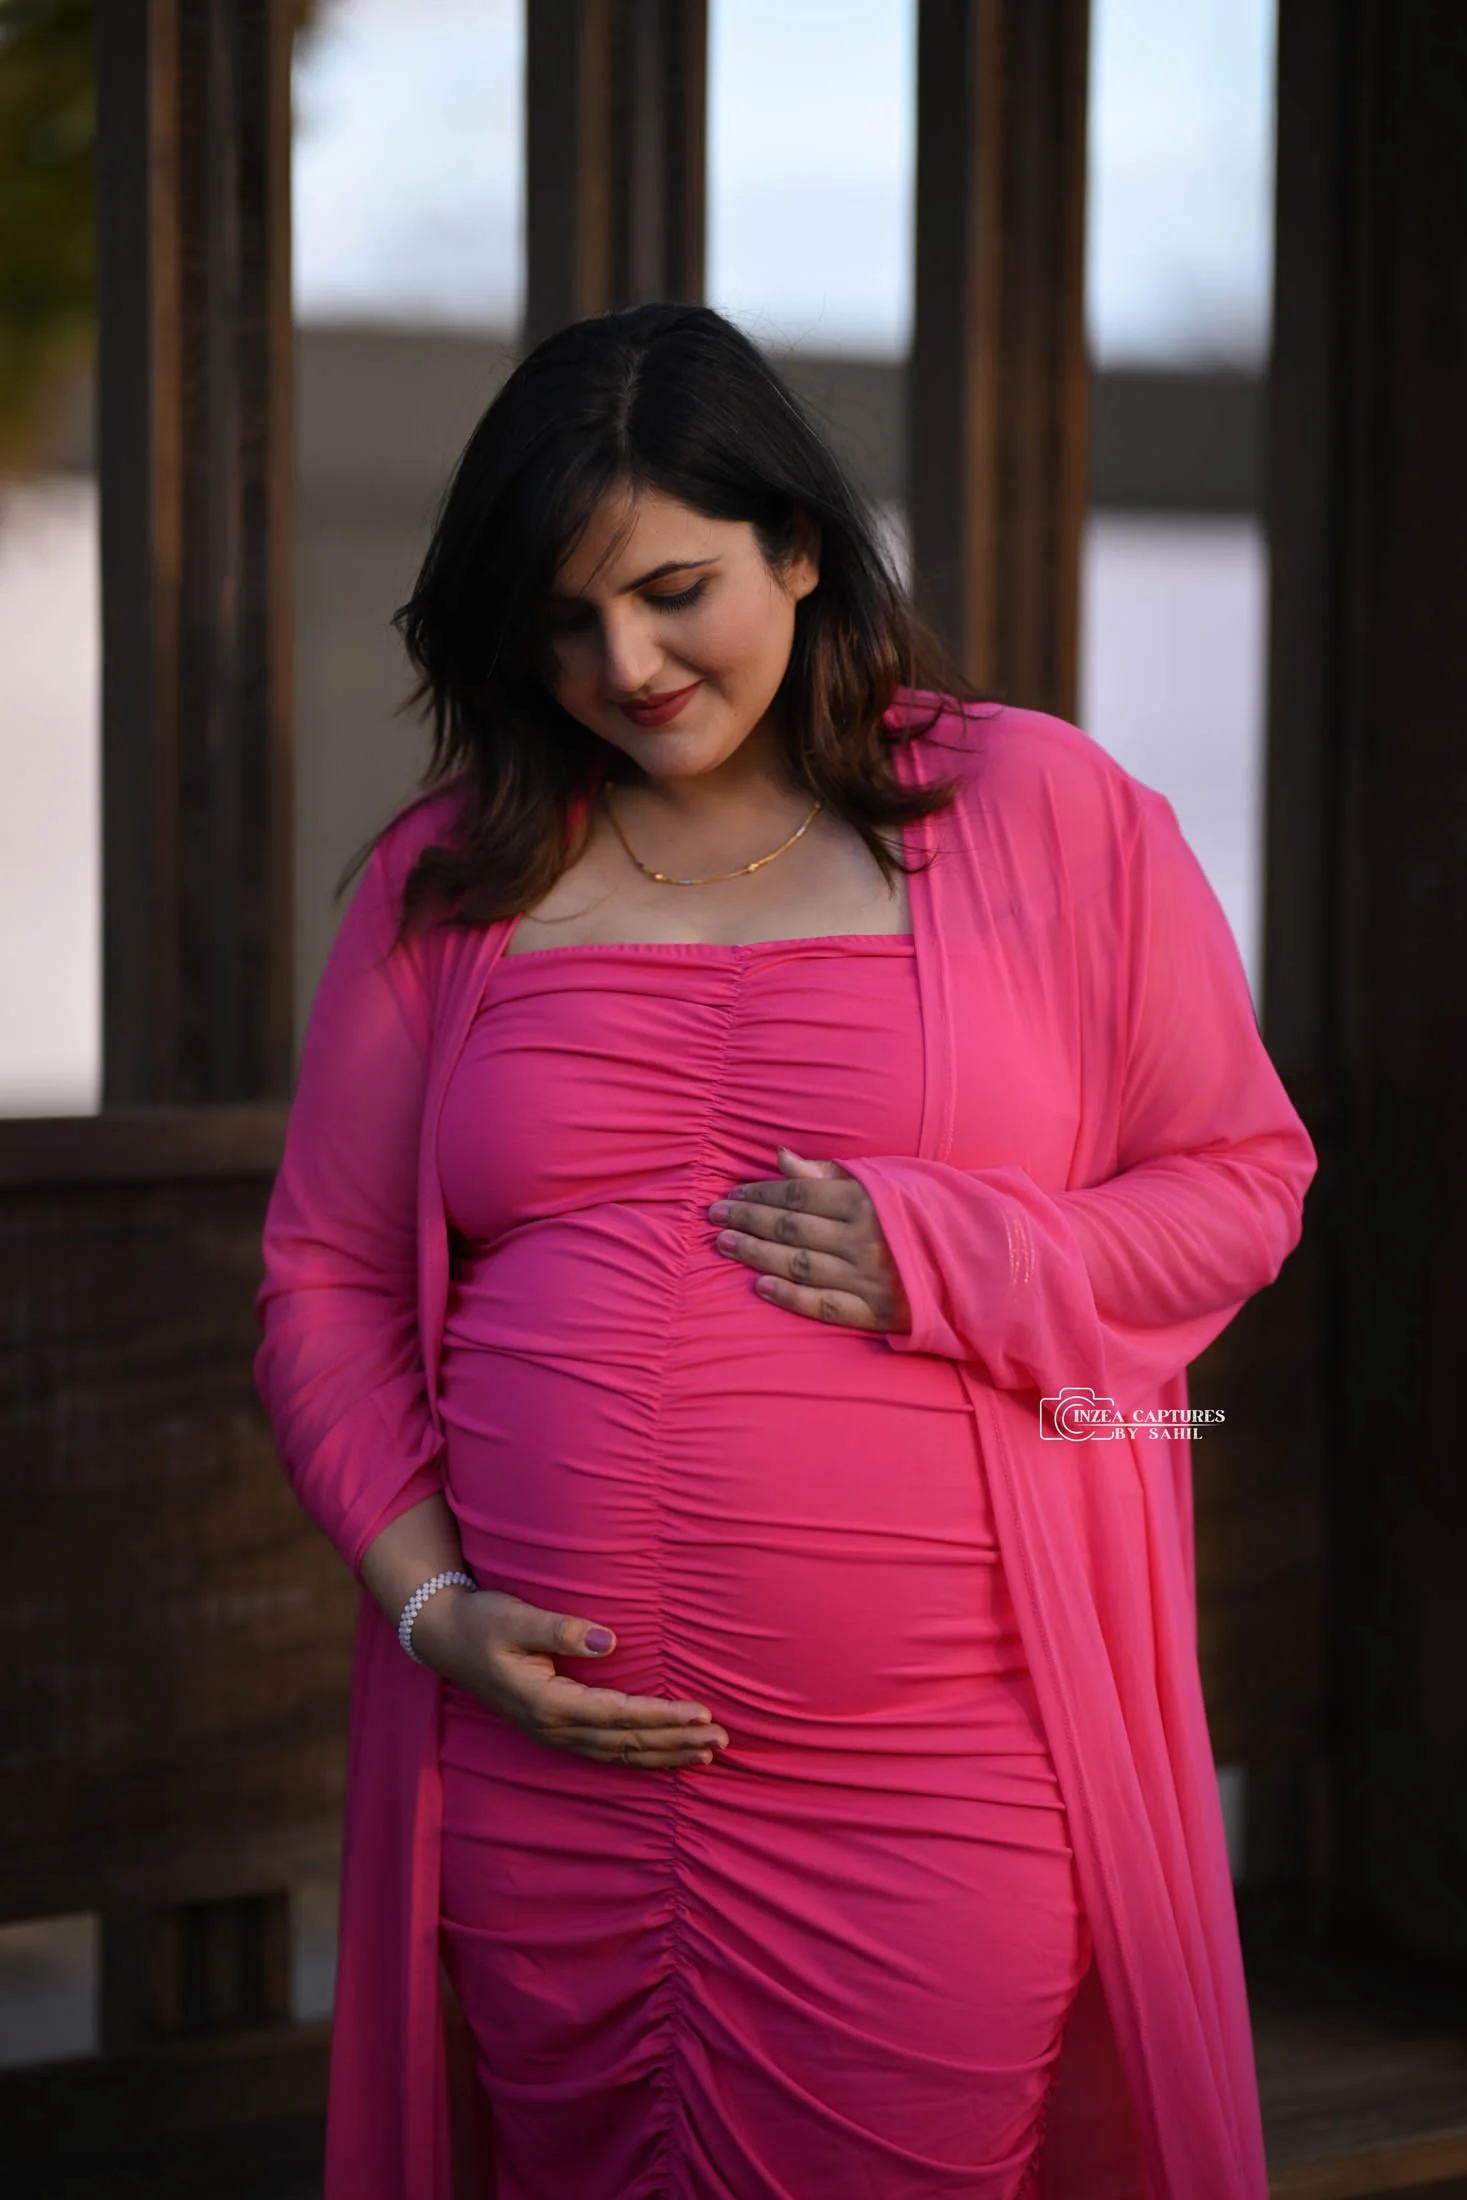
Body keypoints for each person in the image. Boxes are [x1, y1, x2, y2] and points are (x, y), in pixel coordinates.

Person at [253, 301, 1317, 2200]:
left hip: (926, 1784)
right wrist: (433, 1612)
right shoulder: (459, 878)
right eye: (564, 621)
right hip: (546, 1778)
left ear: (803, 546)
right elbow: (325, 1278)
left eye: (675, 590)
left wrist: (953, 1251)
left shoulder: (1042, 813)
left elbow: (1237, 1179)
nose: (626, 665)